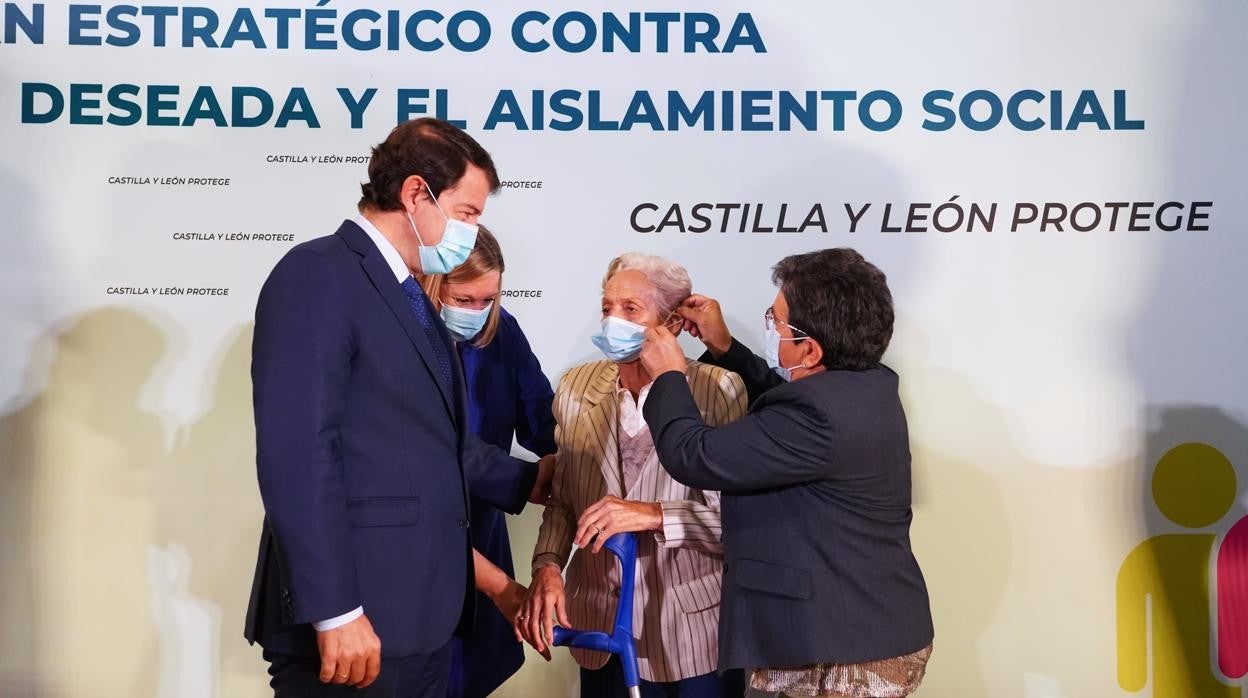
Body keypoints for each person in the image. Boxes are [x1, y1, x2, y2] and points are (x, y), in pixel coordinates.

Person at [244, 118, 552, 697]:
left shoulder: (409, 295)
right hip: (355, 621)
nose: (472, 229)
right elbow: (298, 454)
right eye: (466, 213)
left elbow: (432, 445)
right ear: (416, 194)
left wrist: (536, 480)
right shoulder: (319, 275)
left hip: (421, 620)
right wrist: (335, 611)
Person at [638, 248, 934, 698]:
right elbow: (786, 407)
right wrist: (724, 347)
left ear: (811, 349)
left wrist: (668, 376)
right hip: (861, 628)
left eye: (776, 323)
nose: (772, 330)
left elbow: (692, 454)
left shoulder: (820, 414)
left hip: (841, 651)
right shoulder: (865, 384)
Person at [519, 253, 748, 698]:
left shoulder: (718, 390)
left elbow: (737, 518)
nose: (612, 321)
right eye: (607, 308)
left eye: (630, 309)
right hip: (600, 627)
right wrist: (547, 566)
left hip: (692, 633)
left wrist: (653, 514)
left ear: (672, 324)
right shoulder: (575, 387)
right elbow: (564, 501)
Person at [417, 226, 558, 698]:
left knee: (469, 675)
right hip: (416, 537)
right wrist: (526, 480)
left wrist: (585, 452)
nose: (477, 312)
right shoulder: (401, 340)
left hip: (480, 532)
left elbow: (543, 418)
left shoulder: (503, 332)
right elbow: (435, 445)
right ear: (434, 284)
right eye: (465, 298)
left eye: (488, 300)